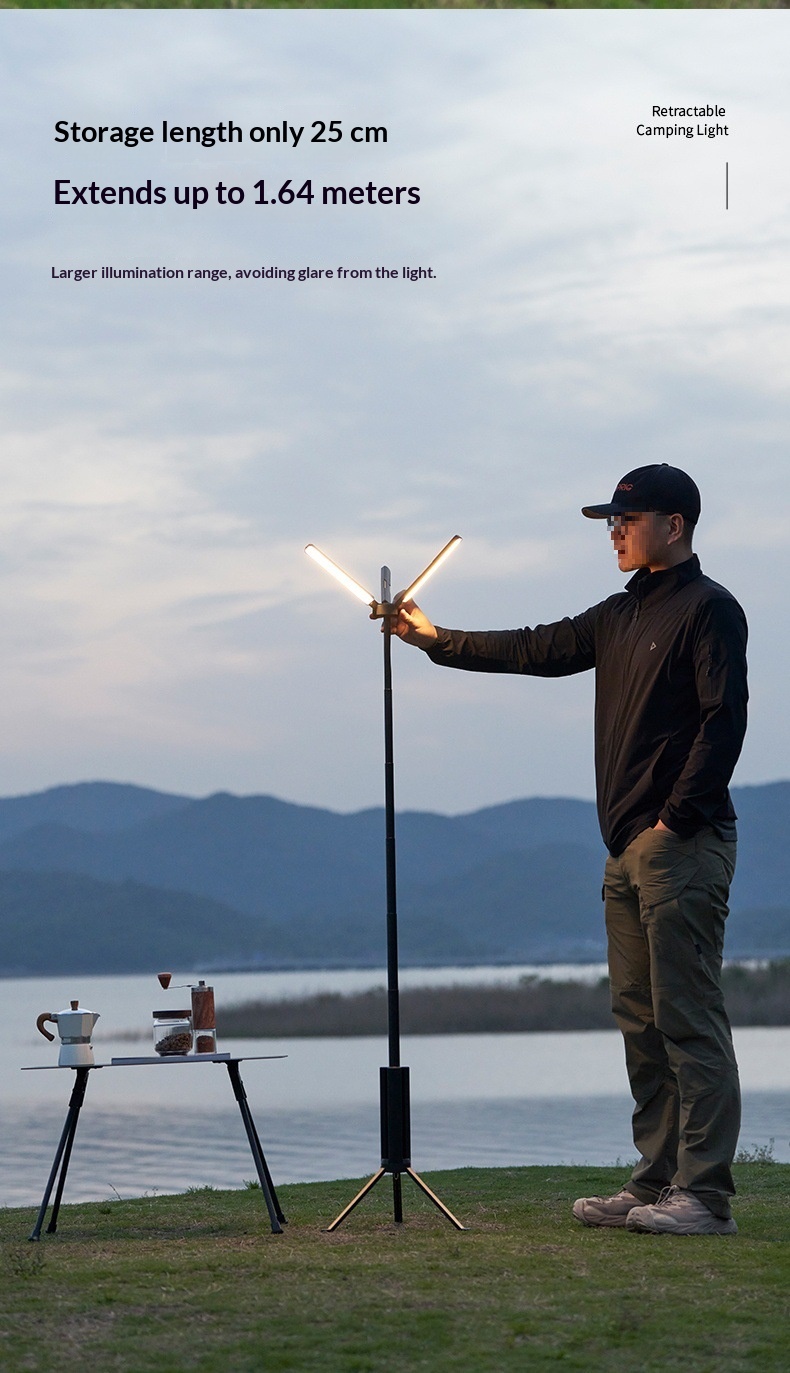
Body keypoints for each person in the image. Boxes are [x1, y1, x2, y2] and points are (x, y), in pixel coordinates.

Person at [393, 464, 748, 1236]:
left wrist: (674, 822)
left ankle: (704, 1196)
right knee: (641, 1023)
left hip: (679, 846)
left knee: (688, 1018)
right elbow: (534, 647)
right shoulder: (620, 613)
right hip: (626, 850)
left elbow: (724, 722)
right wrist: (433, 640)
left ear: (674, 525)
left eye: (626, 519)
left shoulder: (710, 609)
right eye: (609, 521)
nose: (613, 532)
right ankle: (655, 1180)